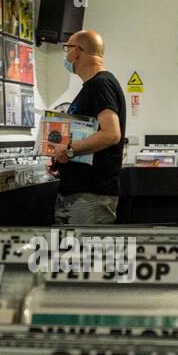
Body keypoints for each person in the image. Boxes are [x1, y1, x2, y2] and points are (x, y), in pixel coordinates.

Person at [47, 29, 125, 225]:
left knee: (85, 255)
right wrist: (61, 158)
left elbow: (111, 134)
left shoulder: (101, 84)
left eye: (67, 49)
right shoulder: (90, 87)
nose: (66, 55)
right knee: (67, 255)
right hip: (74, 193)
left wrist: (70, 149)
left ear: (77, 51)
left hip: (91, 196)